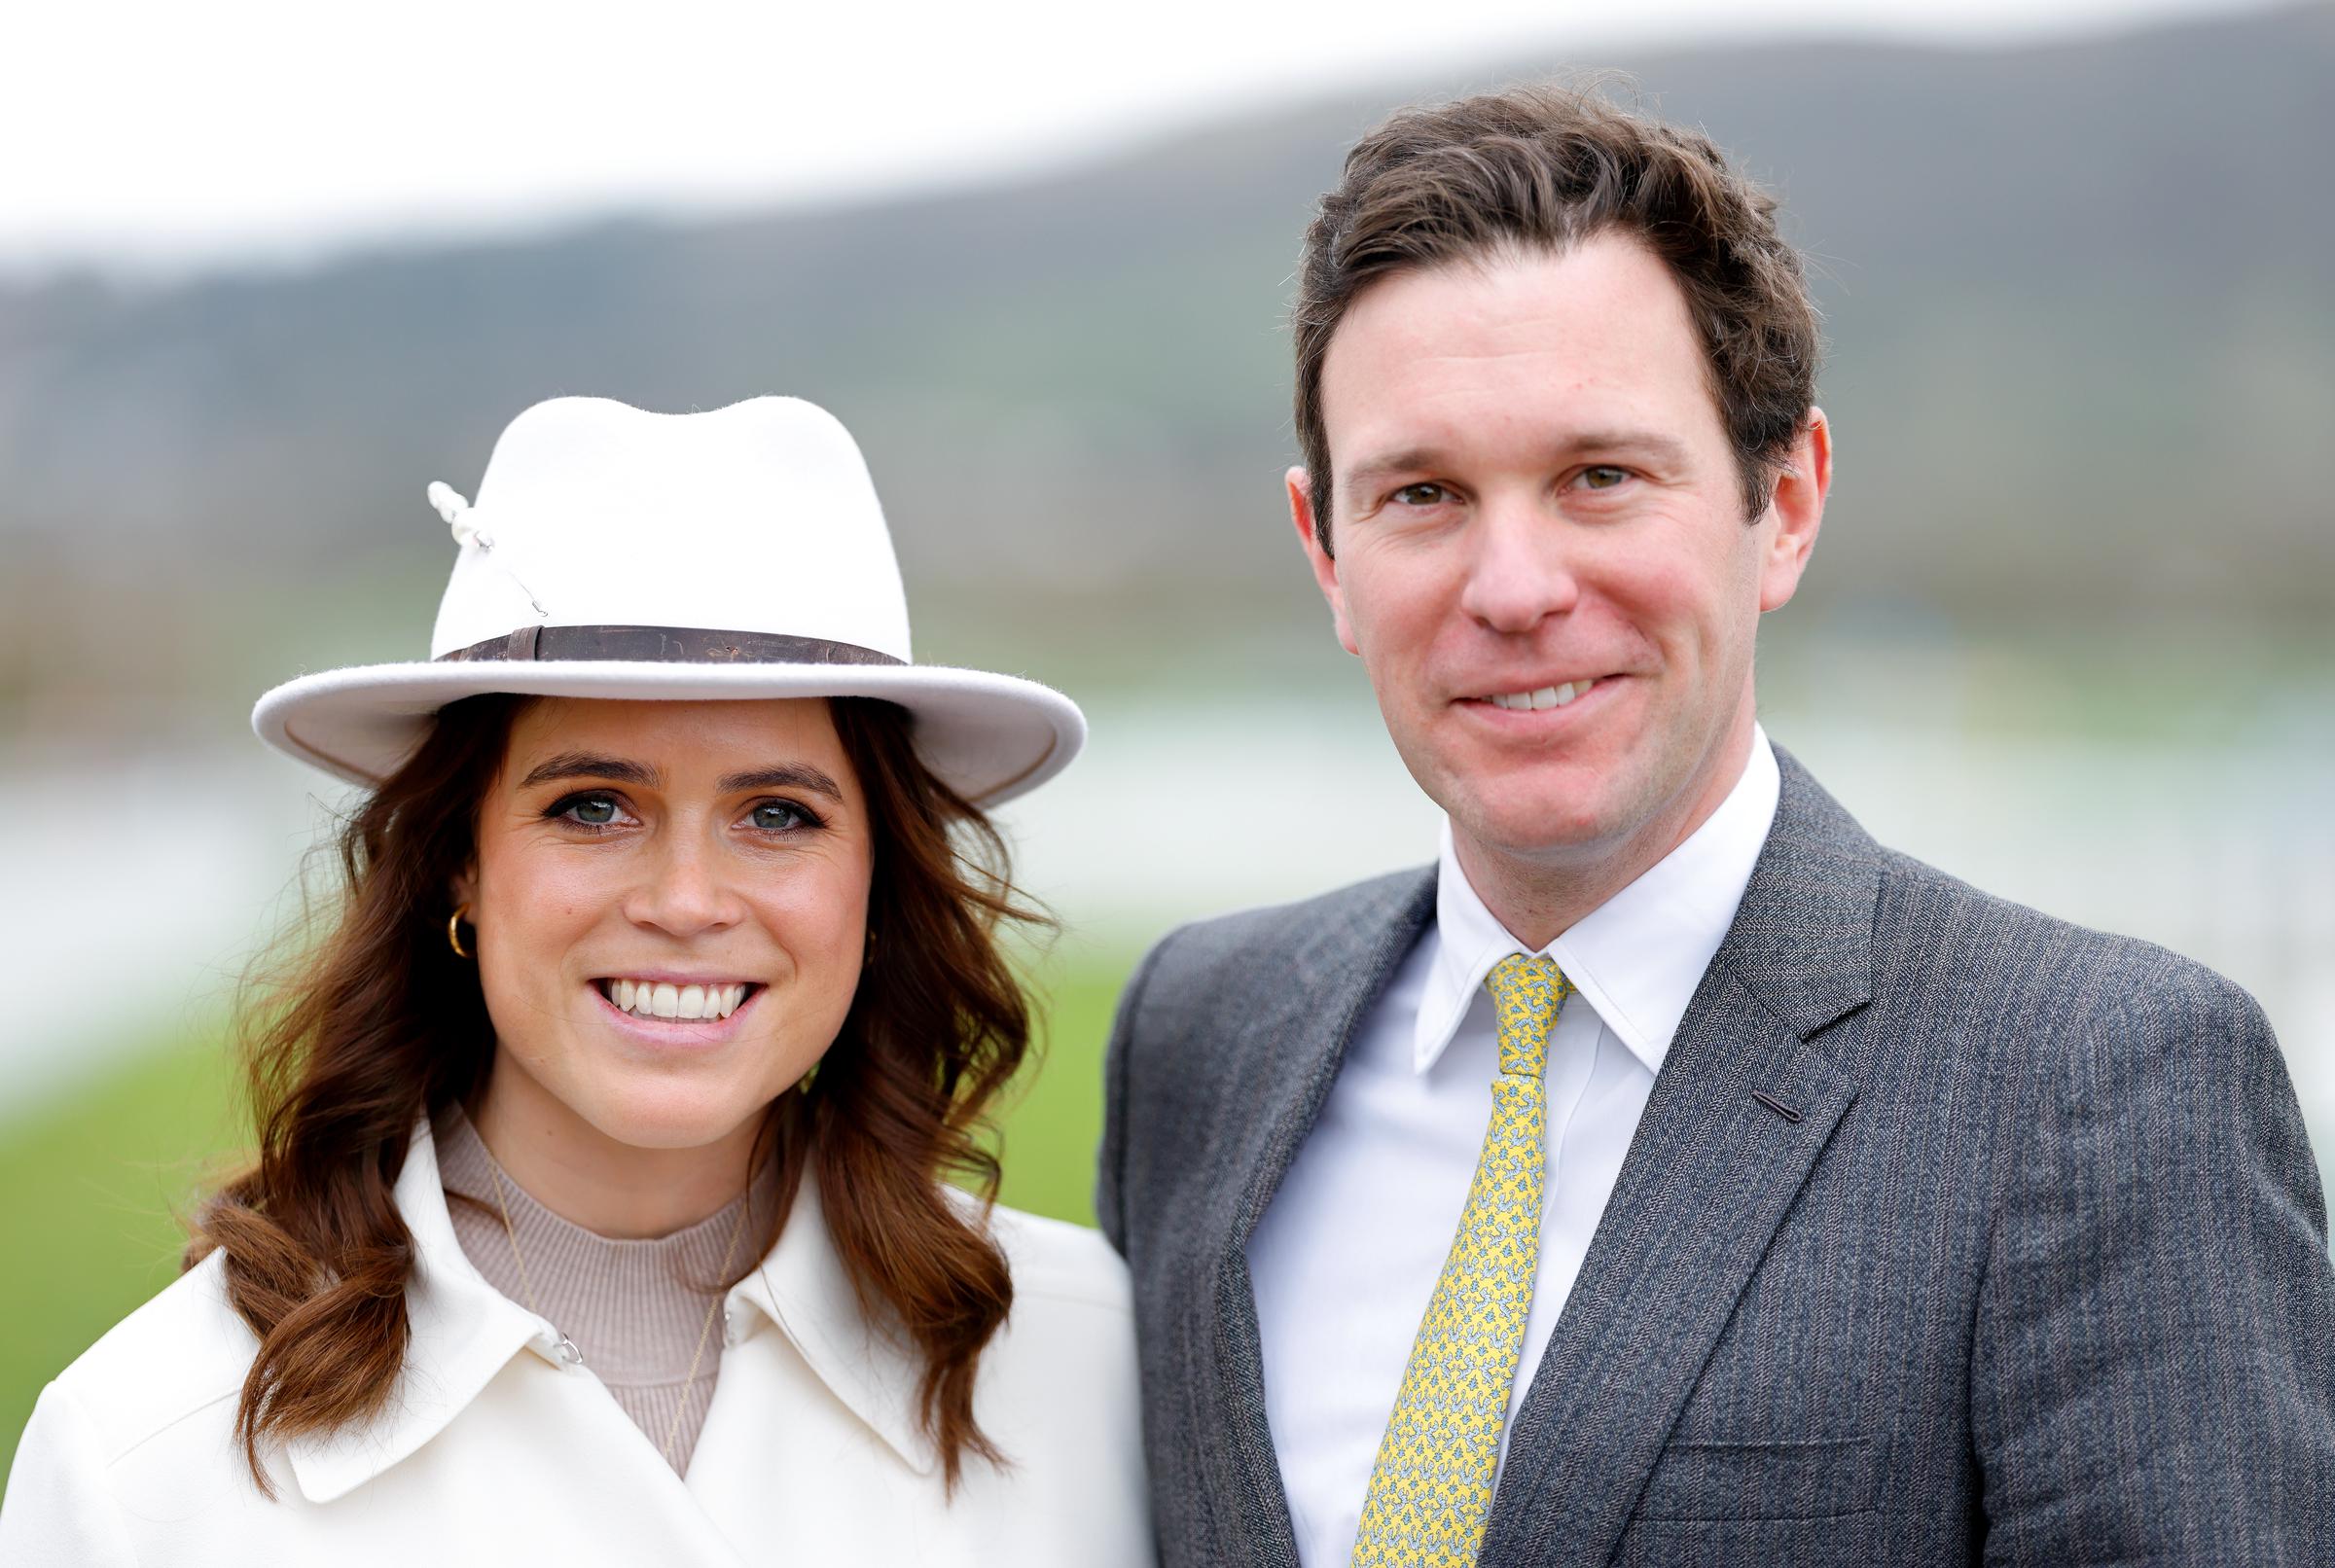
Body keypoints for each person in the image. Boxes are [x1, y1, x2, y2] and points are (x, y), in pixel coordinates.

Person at [1096, 84, 2335, 1566]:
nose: (1513, 588)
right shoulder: (1203, 1032)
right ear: (1327, 553)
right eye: (1422, 494)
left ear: (1787, 501)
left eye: (1600, 478)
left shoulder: (2102, 1084)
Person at [0, 395, 1150, 1563]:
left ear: (879, 879)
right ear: (459, 857)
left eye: (777, 813)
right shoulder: (145, 1457)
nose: (687, 899)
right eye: (592, 806)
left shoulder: (1094, 1363)